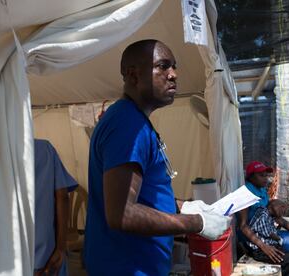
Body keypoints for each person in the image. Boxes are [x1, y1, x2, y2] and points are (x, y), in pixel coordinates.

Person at [84, 39, 231, 276]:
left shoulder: (134, 121)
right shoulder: (127, 125)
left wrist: (184, 206)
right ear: (133, 75)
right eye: (163, 66)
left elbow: (146, 198)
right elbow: (123, 213)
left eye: (174, 66)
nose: (173, 74)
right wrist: (197, 223)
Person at [238, 161, 289, 276]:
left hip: (269, 233)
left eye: (266, 175)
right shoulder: (245, 194)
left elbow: (276, 218)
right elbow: (243, 226)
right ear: (250, 177)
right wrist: (264, 246)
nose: (266, 179)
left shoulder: (262, 190)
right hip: (256, 240)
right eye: (261, 175)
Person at [34, 139, 78, 276]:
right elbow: (62, 197)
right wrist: (60, 247)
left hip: (10, 258)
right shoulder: (44, 149)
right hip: (47, 255)